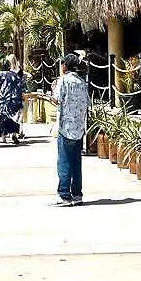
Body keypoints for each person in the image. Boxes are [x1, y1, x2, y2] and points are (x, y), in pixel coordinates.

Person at [53, 53, 89, 207]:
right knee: (76, 162)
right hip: (79, 127)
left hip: (66, 127)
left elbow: (56, 99)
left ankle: (64, 195)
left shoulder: (64, 81)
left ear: (65, 66)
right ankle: (77, 194)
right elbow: (87, 101)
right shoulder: (82, 82)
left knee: (64, 161)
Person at [0, 58, 26, 144]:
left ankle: (3, 137)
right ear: (9, 65)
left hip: (4, 100)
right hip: (16, 99)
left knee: (3, 118)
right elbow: (22, 87)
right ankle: (14, 135)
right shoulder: (15, 75)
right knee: (15, 117)